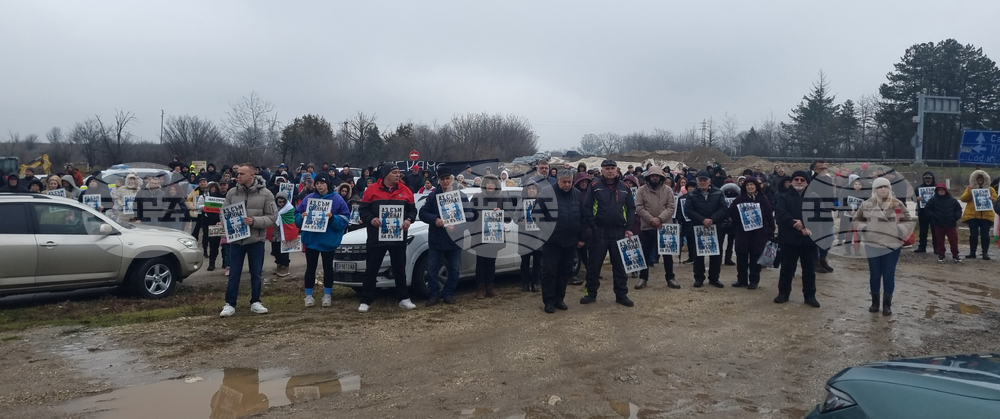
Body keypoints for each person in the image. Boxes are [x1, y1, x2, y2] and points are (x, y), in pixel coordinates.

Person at [219, 163, 278, 317]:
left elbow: (272, 217)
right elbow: (223, 213)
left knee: (256, 273)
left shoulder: (266, 194)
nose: (238, 176)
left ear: (252, 175)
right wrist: (228, 223)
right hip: (237, 241)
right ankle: (230, 304)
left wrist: (254, 221)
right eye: (237, 173)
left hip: (256, 240)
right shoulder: (232, 193)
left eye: (241, 174)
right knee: (234, 273)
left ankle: (256, 302)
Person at [358, 165, 418, 313]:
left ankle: (403, 298)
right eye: (394, 172)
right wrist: (371, 219)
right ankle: (366, 300)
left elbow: (413, 210)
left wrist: (409, 220)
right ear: (385, 175)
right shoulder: (371, 190)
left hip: (398, 237)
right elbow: (363, 210)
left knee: (399, 268)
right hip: (376, 237)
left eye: (399, 173)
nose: (398, 175)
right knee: (371, 268)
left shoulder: (406, 190)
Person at [853, 177, 913, 316]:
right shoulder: (867, 204)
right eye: (880, 187)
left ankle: (887, 305)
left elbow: (908, 220)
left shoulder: (897, 204)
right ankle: (874, 303)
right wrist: (865, 228)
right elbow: (856, 219)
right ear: (875, 190)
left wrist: (900, 230)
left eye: (886, 186)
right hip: (872, 244)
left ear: (890, 188)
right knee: (875, 274)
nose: (883, 189)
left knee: (888, 274)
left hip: (892, 244)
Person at [581, 159, 636, 307]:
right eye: (607, 168)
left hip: (619, 231)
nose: (610, 171)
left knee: (619, 265)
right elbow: (587, 207)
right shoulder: (594, 186)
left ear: (617, 170)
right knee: (594, 265)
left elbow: (631, 208)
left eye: (613, 168)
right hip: (599, 231)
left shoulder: (625, 187)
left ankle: (621, 294)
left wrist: (629, 228)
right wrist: (593, 226)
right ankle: (590, 293)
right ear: (602, 170)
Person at [295, 172, 350, 307]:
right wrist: (301, 218)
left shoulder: (337, 199)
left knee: (328, 268)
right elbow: (296, 215)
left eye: (322, 183)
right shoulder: (308, 199)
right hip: (311, 239)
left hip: (328, 240)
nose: (319, 186)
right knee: (310, 268)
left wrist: (332, 218)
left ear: (327, 184)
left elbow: (345, 219)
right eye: (317, 183)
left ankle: (327, 295)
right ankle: (308, 296)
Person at [534, 169, 586, 313]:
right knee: (549, 272)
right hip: (551, 241)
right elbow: (536, 214)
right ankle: (549, 301)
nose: (567, 185)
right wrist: (546, 230)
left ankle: (559, 299)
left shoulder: (577, 194)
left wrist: (581, 237)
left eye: (570, 182)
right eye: (564, 182)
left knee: (565, 272)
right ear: (558, 180)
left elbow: (583, 216)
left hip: (570, 241)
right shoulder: (546, 192)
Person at [419, 166, 470, 306]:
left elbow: (470, 219)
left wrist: (457, 227)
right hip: (436, 239)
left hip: (455, 240)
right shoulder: (432, 196)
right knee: (432, 269)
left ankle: (448, 294)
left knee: (454, 269)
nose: (446, 181)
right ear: (439, 180)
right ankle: (434, 295)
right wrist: (435, 219)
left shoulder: (462, 196)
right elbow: (422, 213)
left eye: (448, 178)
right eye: (443, 179)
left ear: (452, 179)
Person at [773, 171, 820, 308]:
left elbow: (819, 216)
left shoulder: (815, 198)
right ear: (792, 181)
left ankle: (810, 296)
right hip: (789, 239)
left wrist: (805, 225)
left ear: (807, 183)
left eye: (802, 180)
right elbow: (781, 214)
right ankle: (783, 293)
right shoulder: (783, 197)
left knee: (809, 270)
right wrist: (796, 225)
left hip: (809, 239)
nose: (799, 182)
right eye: (796, 179)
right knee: (787, 268)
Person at [634, 167, 678, 290]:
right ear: (648, 177)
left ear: (661, 178)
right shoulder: (641, 190)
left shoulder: (668, 190)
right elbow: (639, 207)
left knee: (667, 255)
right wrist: (651, 219)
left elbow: (671, 207)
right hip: (647, 226)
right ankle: (643, 278)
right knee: (645, 253)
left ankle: (670, 278)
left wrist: (659, 219)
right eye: (652, 176)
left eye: (657, 176)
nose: (655, 178)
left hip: (664, 226)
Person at [684, 171, 728, 288]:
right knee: (698, 255)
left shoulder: (718, 193)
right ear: (697, 181)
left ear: (710, 181)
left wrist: (712, 219)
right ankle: (699, 278)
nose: (702, 182)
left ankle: (714, 278)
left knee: (716, 255)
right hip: (698, 228)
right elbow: (688, 211)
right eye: (700, 180)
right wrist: (702, 220)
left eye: (705, 180)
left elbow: (724, 208)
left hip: (715, 228)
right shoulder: (691, 194)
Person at [729, 176, 774, 289]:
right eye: (747, 185)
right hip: (743, 233)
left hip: (759, 233)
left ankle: (754, 280)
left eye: (752, 185)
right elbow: (731, 213)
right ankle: (741, 279)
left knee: (756, 258)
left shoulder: (763, 198)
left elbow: (769, 216)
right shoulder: (739, 199)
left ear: (756, 186)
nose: (750, 187)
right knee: (741, 257)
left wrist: (771, 231)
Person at [469, 174, 508, 299]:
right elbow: (469, 215)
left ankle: (490, 287)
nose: (490, 185)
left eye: (493, 183)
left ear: (496, 185)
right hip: (479, 235)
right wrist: (473, 230)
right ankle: (480, 288)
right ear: (484, 184)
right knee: (481, 262)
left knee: (491, 262)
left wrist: (501, 213)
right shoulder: (476, 197)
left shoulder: (502, 198)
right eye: (488, 182)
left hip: (494, 235)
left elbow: (509, 216)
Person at [960, 170, 997, 260]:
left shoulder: (990, 189)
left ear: (985, 179)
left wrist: (992, 199)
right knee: (973, 235)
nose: (980, 180)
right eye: (978, 178)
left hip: (986, 216)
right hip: (973, 216)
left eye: (982, 178)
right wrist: (969, 192)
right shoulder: (970, 188)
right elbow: (963, 199)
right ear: (975, 179)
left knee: (985, 235)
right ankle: (972, 252)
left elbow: (996, 200)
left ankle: (985, 253)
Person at [923, 183, 963, 263]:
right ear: (936, 191)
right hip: (938, 224)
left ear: (945, 190)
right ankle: (941, 255)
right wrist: (934, 217)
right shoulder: (932, 200)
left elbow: (959, 209)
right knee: (939, 241)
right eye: (939, 190)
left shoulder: (953, 200)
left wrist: (955, 217)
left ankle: (955, 255)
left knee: (953, 241)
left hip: (951, 224)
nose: (941, 191)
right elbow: (927, 210)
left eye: (942, 190)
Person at [517, 179, 544, 293]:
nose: (531, 190)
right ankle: (524, 284)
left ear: (537, 190)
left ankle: (535, 283)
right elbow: (515, 217)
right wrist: (520, 221)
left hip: (538, 236)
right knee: (525, 262)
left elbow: (548, 217)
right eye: (529, 188)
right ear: (526, 190)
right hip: (525, 237)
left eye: (533, 188)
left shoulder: (542, 202)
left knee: (538, 263)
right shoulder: (521, 202)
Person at [837, 176, 867, 256]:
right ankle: (847, 250)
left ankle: (857, 250)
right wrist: (850, 210)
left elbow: (865, 206)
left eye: (859, 184)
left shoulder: (864, 194)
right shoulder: (847, 192)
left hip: (858, 217)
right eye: (855, 184)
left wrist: (857, 212)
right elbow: (843, 203)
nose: (857, 186)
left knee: (858, 233)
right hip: (847, 216)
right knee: (848, 233)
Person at [912, 171, 937, 253]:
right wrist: (917, 199)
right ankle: (922, 247)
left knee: (935, 230)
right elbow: (912, 198)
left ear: (932, 179)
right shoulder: (918, 188)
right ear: (923, 179)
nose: (927, 180)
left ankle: (936, 247)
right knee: (923, 231)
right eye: (926, 178)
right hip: (922, 212)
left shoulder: (937, 187)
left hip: (935, 213)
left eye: (929, 178)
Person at [187, 176, 211, 257]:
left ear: (207, 183)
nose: (202, 183)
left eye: (204, 182)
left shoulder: (210, 191)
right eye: (201, 182)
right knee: (194, 233)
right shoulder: (195, 191)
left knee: (206, 234)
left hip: (206, 215)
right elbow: (188, 199)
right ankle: (193, 250)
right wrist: (191, 206)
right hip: (196, 215)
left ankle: (205, 251)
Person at [202, 182, 224, 271]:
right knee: (213, 244)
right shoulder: (211, 198)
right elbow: (208, 211)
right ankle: (212, 262)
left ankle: (225, 262)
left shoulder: (226, 196)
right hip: (214, 223)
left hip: (224, 222)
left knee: (225, 244)